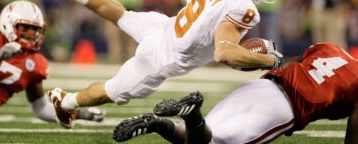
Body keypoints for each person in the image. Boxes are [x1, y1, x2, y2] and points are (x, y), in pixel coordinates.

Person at [29, 0, 281, 128]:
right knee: (111, 92)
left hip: (165, 27)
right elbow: (224, 52)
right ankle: (67, 101)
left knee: (122, 15)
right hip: (161, 58)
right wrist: (270, 61)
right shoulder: (241, 7)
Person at [113, 42, 358, 144]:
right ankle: (191, 114)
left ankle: (158, 124)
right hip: (285, 109)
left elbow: (289, 63)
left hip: (261, 87)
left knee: (205, 137)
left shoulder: (331, 47)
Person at [0, 0, 103, 127]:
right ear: (9, 25)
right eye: (26, 28)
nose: (32, 34)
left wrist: (79, 114)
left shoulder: (34, 63)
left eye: (35, 29)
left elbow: (42, 108)